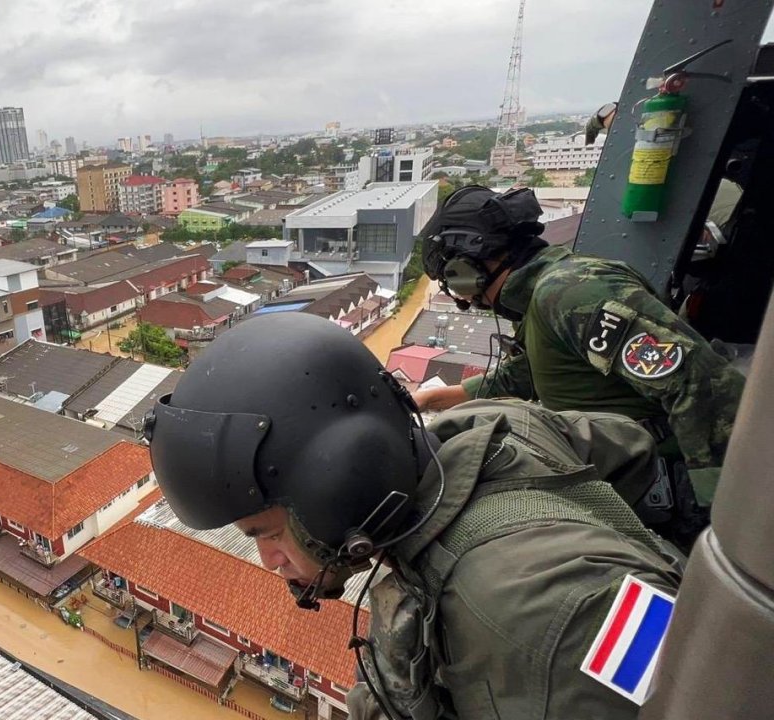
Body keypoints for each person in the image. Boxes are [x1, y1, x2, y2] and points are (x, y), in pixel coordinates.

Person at [144, 313, 682, 719]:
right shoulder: (485, 426)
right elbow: (633, 451)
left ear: (341, 481)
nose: (270, 561)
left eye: (267, 533)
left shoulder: (544, 609)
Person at [412, 185, 745, 548]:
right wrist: (435, 399)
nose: (456, 294)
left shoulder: (569, 293)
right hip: (635, 475)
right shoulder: (544, 297)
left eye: (449, 280)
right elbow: (526, 375)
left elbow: (702, 382)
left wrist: (721, 515)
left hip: (666, 485)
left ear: (464, 268)